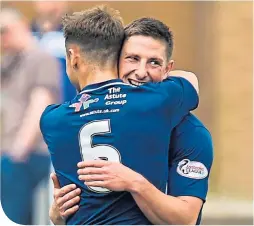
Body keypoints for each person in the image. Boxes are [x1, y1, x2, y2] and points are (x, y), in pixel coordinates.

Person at [40, 5, 199, 225]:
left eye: (152, 62)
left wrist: (58, 216)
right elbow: (190, 80)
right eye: (133, 59)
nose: (141, 72)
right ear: (117, 57)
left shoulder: (52, 120)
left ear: (73, 57)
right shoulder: (157, 101)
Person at [0, 8, 60, 225]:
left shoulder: (41, 58)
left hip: (27, 154)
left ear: (22, 25)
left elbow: (40, 105)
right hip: (10, 153)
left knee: (13, 219)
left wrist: (18, 150)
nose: (2, 38)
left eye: (5, 30)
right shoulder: (10, 62)